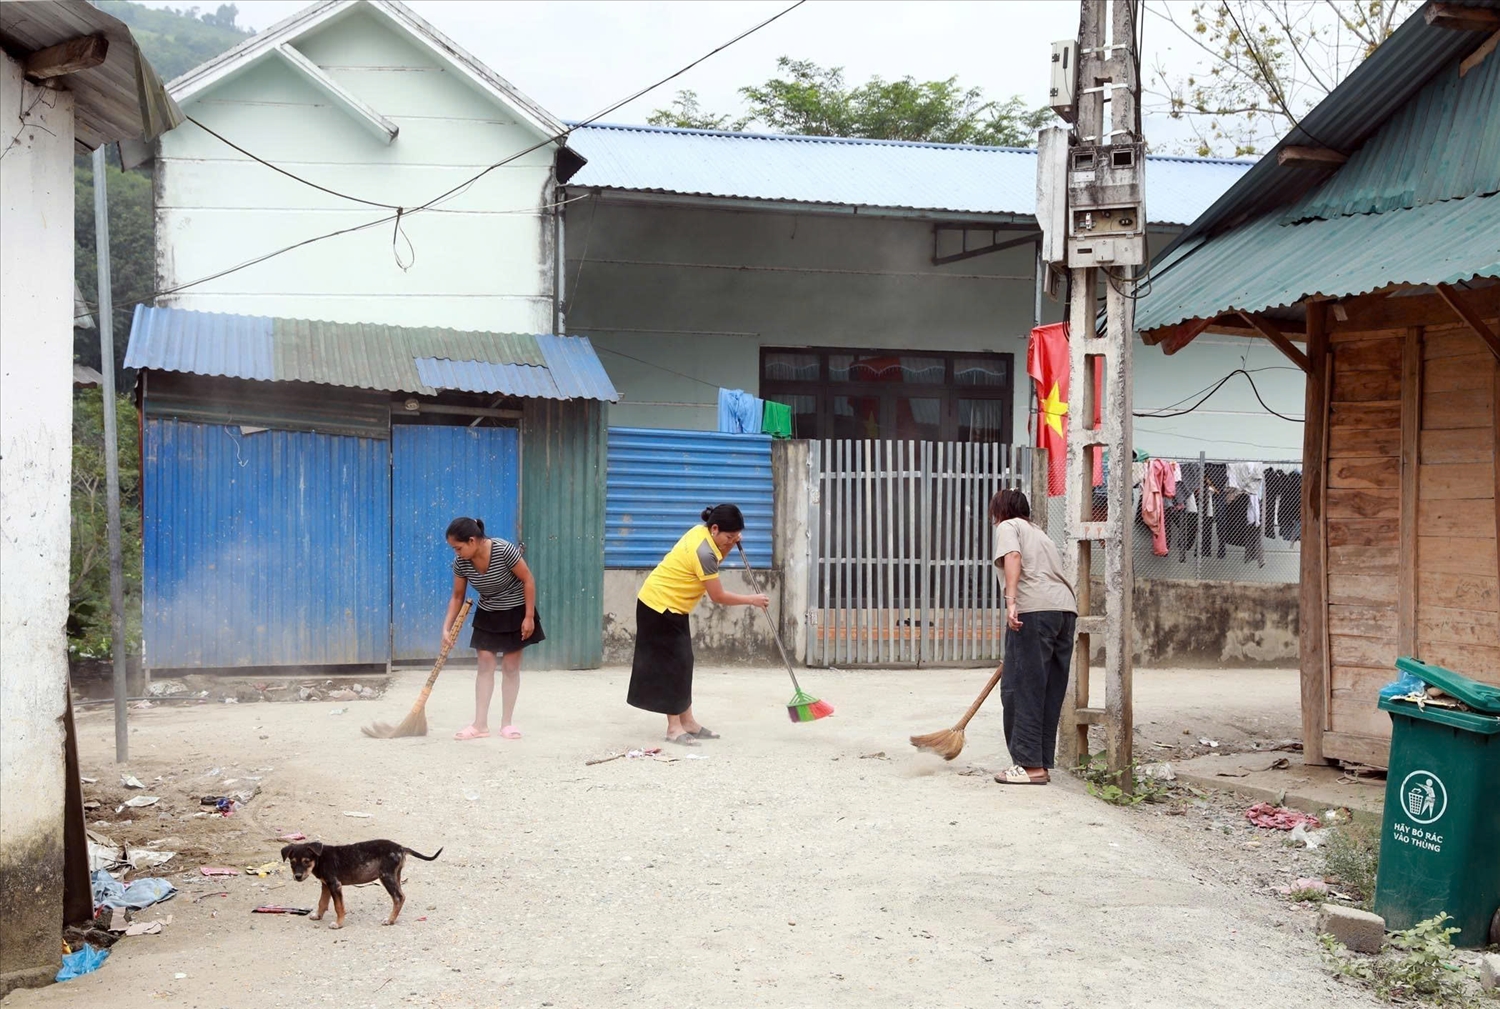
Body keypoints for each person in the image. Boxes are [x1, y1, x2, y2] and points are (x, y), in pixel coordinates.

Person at [627, 504, 769, 745]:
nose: (732, 542)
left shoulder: (701, 533)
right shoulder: (704, 552)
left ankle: (688, 721)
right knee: (672, 666)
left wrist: (730, 543)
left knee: (684, 662)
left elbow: (717, 557)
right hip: (659, 606)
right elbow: (717, 596)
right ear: (715, 529)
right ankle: (674, 728)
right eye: (729, 537)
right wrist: (751, 600)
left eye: (736, 538)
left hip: (674, 606)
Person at [990, 489, 1077, 785]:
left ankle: (1028, 766)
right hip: (1064, 611)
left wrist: (1011, 601)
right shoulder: (1040, 533)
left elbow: (1013, 556)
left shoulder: (1007, 526)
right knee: (1048, 689)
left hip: (1033, 611)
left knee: (1020, 687)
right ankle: (1040, 763)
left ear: (999, 510)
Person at [443, 516, 543, 741]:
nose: (456, 553)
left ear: (472, 540)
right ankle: (480, 725)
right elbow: (457, 596)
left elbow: (528, 580)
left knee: (510, 666)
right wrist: (446, 628)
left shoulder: (503, 550)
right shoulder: (462, 563)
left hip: (516, 612)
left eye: (458, 548)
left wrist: (529, 617)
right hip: (488, 613)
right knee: (485, 664)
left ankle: (507, 723)